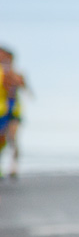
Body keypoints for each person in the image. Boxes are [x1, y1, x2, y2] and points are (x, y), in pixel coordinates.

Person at [0, 46, 26, 178]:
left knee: (12, 137)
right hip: (3, 110)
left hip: (14, 110)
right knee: (2, 139)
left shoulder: (15, 73)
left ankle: (14, 165)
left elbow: (24, 88)